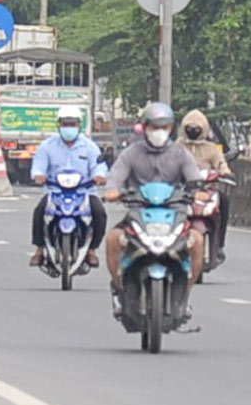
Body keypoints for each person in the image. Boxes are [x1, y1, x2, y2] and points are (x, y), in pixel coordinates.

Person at [102, 102, 207, 317]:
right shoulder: (131, 153)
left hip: (174, 213)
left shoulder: (180, 153)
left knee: (197, 241)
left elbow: (194, 178)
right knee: (113, 239)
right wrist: (112, 190)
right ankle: (119, 287)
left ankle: (185, 294)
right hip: (138, 212)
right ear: (145, 127)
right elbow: (116, 175)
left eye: (164, 127)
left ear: (171, 128)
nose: (159, 132)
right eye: (154, 127)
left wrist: (198, 191)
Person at [29, 106, 108, 270]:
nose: (69, 128)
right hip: (55, 192)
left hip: (84, 192)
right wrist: (38, 175)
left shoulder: (90, 147)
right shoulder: (47, 146)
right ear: (59, 125)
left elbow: (99, 166)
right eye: (65, 124)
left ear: (79, 125)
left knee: (99, 212)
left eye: (73, 124)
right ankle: (39, 249)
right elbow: (38, 166)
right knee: (39, 211)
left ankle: (92, 250)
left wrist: (100, 176)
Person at [179, 109, 232, 266]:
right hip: (184, 189)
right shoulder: (178, 147)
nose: (193, 131)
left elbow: (221, 163)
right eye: (190, 127)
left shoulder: (212, 148)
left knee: (224, 201)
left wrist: (226, 172)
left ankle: (220, 244)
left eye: (197, 128)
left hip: (206, 188)